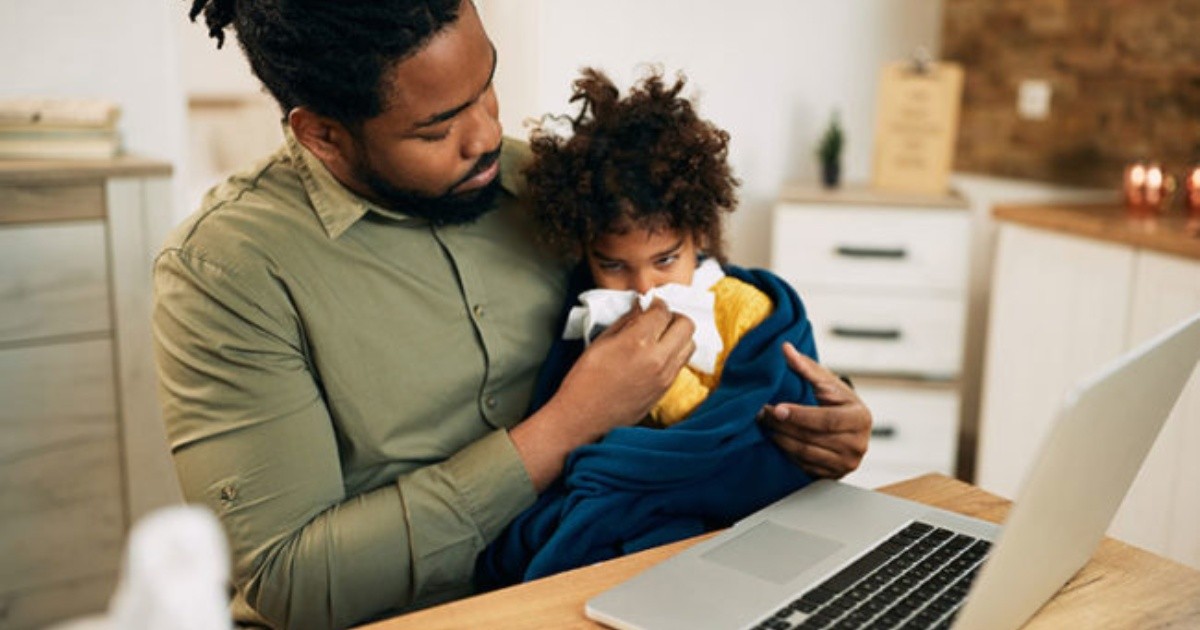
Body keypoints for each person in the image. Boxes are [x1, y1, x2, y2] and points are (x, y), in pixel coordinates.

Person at [161, 1, 871, 628]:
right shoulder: (228, 273)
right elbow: (292, 584)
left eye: (487, 87)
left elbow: (706, 306)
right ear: (323, 135)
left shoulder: (554, 187)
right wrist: (569, 424)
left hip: (625, 575)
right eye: (436, 129)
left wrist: (810, 424)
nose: (485, 137)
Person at [475, 67, 825, 586]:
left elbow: (782, 395)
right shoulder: (586, 310)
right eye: (614, 265)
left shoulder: (741, 304)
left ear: (698, 234)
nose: (644, 290)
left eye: (666, 260)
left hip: (725, 490)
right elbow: (567, 412)